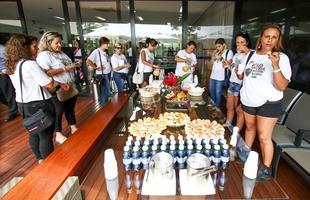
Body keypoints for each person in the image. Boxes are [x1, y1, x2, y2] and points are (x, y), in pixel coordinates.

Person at [238, 24, 292, 181]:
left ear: (278, 40)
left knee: (264, 137)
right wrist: (239, 74)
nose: (270, 40)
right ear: (260, 38)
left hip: (268, 103)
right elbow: (245, 76)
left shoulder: (281, 58)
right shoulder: (250, 55)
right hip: (248, 99)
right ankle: (246, 154)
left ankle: (266, 168)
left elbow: (281, 86)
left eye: (274, 37)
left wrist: (275, 66)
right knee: (249, 128)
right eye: (267, 36)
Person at [5, 34, 57, 163]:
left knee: (34, 132)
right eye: (34, 46)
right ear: (24, 48)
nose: (36, 49)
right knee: (45, 136)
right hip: (39, 103)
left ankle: (40, 159)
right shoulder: (29, 64)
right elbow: (48, 84)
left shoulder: (13, 65)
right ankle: (48, 163)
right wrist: (49, 77)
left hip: (23, 105)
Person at [37, 32, 81, 144]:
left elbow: (68, 65)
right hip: (57, 87)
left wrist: (75, 65)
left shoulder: (61, 53)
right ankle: (58, 133)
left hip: (69, 85)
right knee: (58, 110)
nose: (59, 45)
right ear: (48, 42)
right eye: (56, 43)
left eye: (60, 42)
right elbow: (46, 73)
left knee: (70, 108)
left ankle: (73, 127)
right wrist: (65, 69)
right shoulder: (44, 55)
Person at [225, 32, 251, 129]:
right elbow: (233, 69)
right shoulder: (236, 55)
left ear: (247, 43)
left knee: (239, 110)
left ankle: (236, 132)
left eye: (242, 42)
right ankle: (228, 125)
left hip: (241, 85)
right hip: (232, 83)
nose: (239, 45)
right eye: (237, 42)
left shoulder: (250, 55)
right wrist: (228, 66)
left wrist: (246, 50)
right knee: (229, 107)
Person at [86, 37, 112, 104]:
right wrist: (96, 67)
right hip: (102, 74)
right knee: (107, 91)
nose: (108, 45)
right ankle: (104, 106)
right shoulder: (96, 51)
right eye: (107, 44)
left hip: (108, 73)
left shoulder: (105, 52)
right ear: (102, 44)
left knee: (105, 91)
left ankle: (105, 105)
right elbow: (88, 61)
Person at [209, 38, 233, 107]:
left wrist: (221, 58)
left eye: (219, 46)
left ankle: (217, 108)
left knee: (218, 92)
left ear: (224, 45)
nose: (217, 48)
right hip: (213, 75)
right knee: (211, 91)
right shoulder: (216, 52)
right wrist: (212, 58)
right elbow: (211, 63)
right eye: (216, 46)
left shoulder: (229, 52)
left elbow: (228, 63)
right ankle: (214, 105)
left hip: (221, 76)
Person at [0, 40, 18, 122]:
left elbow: (11, 59)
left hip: (3, 75)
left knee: (9, 94)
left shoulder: (1, 49)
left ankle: (13, 112)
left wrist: (4, 72)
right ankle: (15, 106)